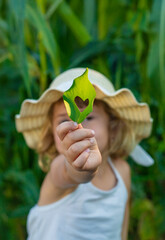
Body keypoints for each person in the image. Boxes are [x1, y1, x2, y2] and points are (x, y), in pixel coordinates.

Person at [15, 68, 153, 240]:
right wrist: (80, 167)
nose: (77, 125)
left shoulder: (122, 171)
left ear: (113, 126)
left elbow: (120, 230)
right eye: (65, 120)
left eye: (89, 117)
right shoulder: (58, 172)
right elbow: (72, 172)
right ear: (53, 133)